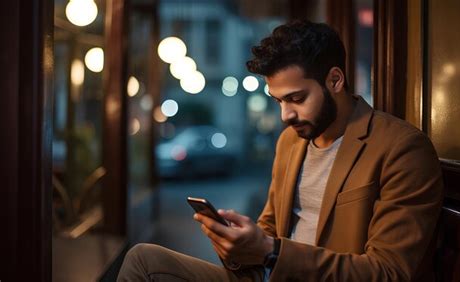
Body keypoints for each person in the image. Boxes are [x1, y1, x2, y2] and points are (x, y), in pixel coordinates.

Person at [117, 20, 443, 281]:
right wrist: (239, 244)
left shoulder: (402, 149)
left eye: (297, 99)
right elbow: (270, 228)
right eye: (278, 101)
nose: (285, 115)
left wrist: (271, 251)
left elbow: (388, 273)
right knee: (143, 259)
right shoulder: (290, 142)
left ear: (335, 80)